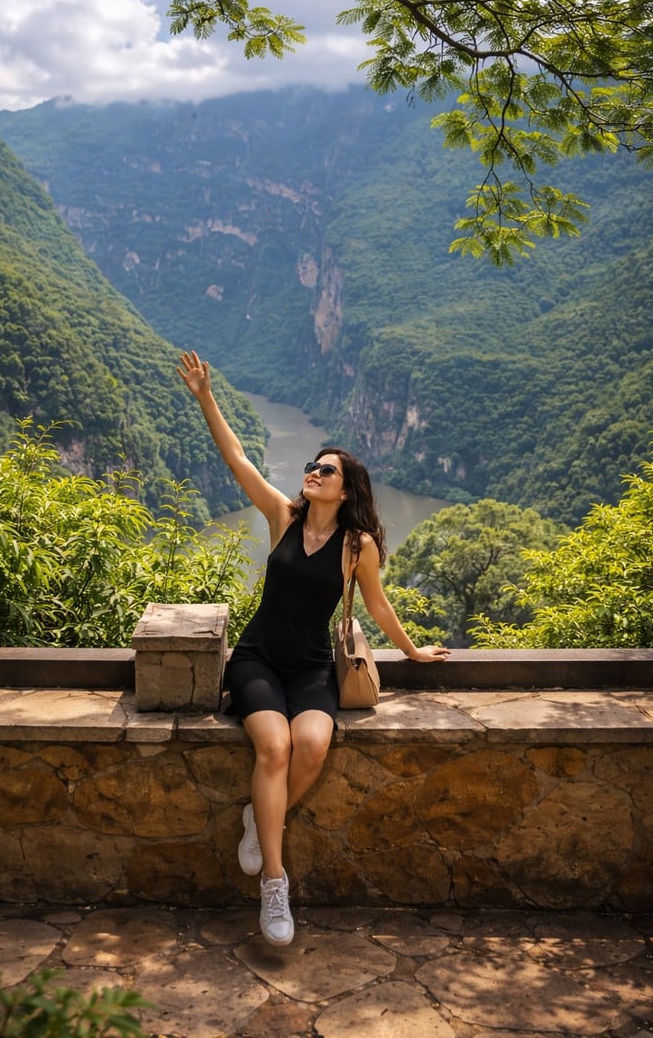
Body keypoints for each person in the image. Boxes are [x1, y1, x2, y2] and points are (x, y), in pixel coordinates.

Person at [177, 350, 449, 946]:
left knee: (313, 746)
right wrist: (205, 395)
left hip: (310, 669)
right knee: (274, 747)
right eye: (311, 465)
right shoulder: (282, 515)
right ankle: (275, 882)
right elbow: (237, 457)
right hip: (257, 659)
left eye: (326, 470)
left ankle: (259, 817)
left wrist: (410, 653)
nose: (313, 473)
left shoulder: (358, 546)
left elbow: (377, 607)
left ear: (346, 488)